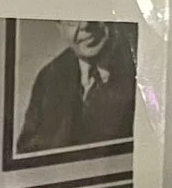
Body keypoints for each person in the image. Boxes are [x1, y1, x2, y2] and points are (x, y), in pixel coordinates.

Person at [15, 19, 136, 154]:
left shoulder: (139, 63)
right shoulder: (49, 77)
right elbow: (28, 152)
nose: (85, 25)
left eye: (92, 11)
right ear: (60, 28)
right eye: (71, 20)